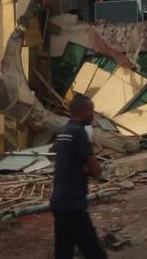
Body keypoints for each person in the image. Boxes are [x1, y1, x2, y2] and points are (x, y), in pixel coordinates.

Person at [49, 95, 106, 259]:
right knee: (94, 252)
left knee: (64, 251)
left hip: (59, 202)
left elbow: (68, 164)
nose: (93, 114)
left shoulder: (64, 132)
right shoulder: (79, 133)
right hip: (73, 204)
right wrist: (87, 169)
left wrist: (82, 168)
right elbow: (96, 170)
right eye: (91, 110)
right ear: (82, 112)